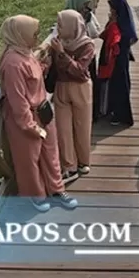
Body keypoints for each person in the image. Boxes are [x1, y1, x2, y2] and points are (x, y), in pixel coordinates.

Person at [0, 14, 78, 212]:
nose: (36, 37)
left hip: (43, 112)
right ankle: (35, 196)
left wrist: (44, 63)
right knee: (28, 160)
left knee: (51, 153)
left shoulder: (25, 52)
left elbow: (33, 73)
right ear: (20, 34)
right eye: (34, 34)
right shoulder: (12, 62)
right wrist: (30, 126)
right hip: (28, 119)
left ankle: (57, 190)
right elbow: (18, 101)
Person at [50, 10, 96, 184]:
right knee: (63, 129)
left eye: (61, 24)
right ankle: (69, 167)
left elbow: (79, 70)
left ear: (72, 26)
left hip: (80, 88)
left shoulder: (87, 45)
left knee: (82, 126)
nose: (58, 28)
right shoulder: (58, 43)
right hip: (61, 87)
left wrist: (62, 54)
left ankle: (83, 161)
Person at [97, 0, 137, 126]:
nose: (111, 11)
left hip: (119, 59)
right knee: (113, 85)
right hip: (114, 57)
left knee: (120, 85)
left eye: (113, 8)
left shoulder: (123, 24)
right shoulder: (117, 21)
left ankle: (121, 114)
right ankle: (112, 110)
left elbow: (126, 40)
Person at [63, 0, 103, 120]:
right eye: (83, 3)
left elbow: (96, 31)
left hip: (85, 52)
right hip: (68, 55)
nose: (85, 6)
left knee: (89, 81)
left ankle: (92, 113)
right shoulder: (65, 16)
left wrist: (86, 21)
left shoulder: (87, 15)